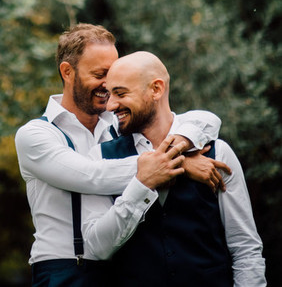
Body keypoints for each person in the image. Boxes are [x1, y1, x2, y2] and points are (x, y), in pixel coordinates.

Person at [15, 24, 228, 287]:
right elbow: (92, 176)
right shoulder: (36, 135)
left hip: (124, 267)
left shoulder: (119, 124)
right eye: (100, 74)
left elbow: (203, 120)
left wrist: (180, 146)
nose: (109, 84)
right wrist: (178, 164)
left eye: (114, 74)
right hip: (65, 271)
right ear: (68, 72)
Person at [82, 51, 266, 287]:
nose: (110, 106)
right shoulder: (100, 157)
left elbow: (245, 248)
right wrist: (142, 184)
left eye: (120, 93)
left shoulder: (218, 153)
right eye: (109, 95)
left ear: (156, 89)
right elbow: (97, 248)